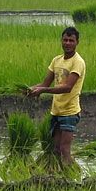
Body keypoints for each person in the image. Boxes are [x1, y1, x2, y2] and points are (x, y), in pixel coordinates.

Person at [25, 26, 86, 169]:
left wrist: (43, 90)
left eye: (71, 40)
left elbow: (67, 87)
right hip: (56, 111)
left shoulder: (78, 62)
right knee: (56, 150)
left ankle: (74, 177)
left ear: (77, 42)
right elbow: (45, 83)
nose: (68, 43)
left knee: (65, 150)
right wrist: (30, 89)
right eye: (65, 40)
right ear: (61, 41)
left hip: (70, 112)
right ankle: (61, 179)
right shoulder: (56, 60)